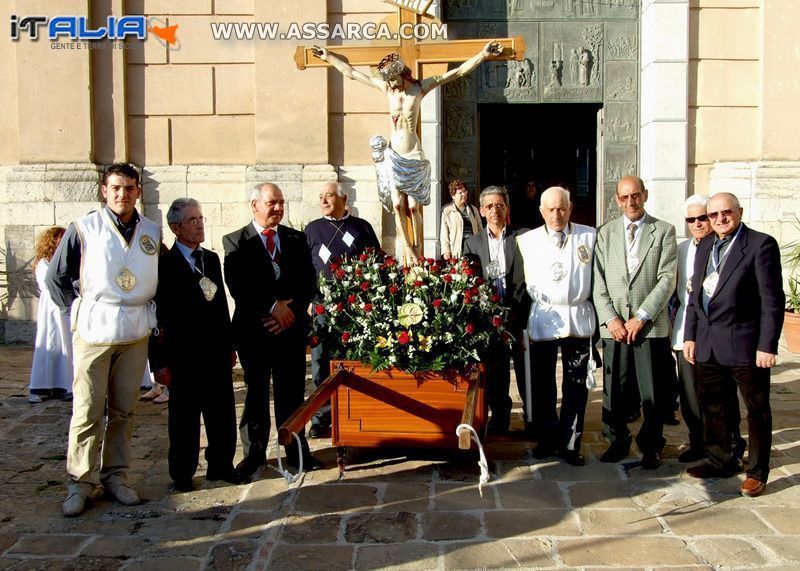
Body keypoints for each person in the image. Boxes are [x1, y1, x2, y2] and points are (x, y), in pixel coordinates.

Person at [313, 41, 502, 264]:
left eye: (392, 78)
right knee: (396, 205)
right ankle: (408, 252)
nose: (390, 83)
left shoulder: (419, 89)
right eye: (388, 80)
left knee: (413, 207)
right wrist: (329, 57)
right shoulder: (386, 90)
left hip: (413, 155)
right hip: (394, 155)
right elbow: (353, 73)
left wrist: (482, 55)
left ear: (401, 73)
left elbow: (456, 73)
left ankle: (418, 249)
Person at [46, 163, 160, 517]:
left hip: (134, 333)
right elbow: (56, 278)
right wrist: (79, 314)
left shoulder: (152, 232)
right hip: (94, 332)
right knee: (88, 409)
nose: (122, 195)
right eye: (115, 188)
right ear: (104, 191)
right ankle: (80, 481)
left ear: (138, 191)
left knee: (124, 410)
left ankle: (116, 476)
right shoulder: (84, 229)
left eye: (128, 188)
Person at [684, 192, 784, 497]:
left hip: (744, 344)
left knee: (756, 409)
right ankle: (719, 459)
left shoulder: (759, 244)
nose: (719, 219)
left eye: (725, 213)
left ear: (738, 211)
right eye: (712, 215)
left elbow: (772, 301)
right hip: (708, 343)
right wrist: (690, 335)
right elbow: (694, 297)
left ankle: (756, 471)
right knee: (713, 405)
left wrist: (767, 345)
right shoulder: (704, 247)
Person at [149, 198, 248, 491]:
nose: (200, 224)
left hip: (215, 351)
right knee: (184, 419)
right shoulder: (164, 265)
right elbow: (157, 316)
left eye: (201, 218)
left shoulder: (210, 259)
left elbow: (220, 306)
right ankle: (182, 472)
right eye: (193, 220)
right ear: (176, 227)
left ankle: (221, 465)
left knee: (221, 413)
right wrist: (159, 362)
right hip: (183, 355)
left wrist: (230, 345)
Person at [223, 182, 321, 475]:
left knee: (291, 393)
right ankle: (254, 454)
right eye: (271, 203)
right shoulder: (236, 240)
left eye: (281, 203)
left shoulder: (295, 238)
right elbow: (238, 283)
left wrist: (288, 311)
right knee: (255, 395)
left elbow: (308, 281)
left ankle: (296, 449)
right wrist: (270, 307)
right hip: (255, 331)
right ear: (255, 205)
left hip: (289, 330)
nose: (278, 208)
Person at [592, 176, 677, 469]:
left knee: (652, 389)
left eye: (636, 195)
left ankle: (651, 444)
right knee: (614, 387)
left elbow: (667, 279)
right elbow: (597, 280)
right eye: (625, 197)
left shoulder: (664, 231)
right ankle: (617, 440)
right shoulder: (605, 234)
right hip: (615, 326)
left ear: (645, 195)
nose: (631, 202)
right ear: (616, 200)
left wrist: (641, 316)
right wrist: (611, 318)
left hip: (649, 325)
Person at [515, 187, 596, 465]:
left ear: (570, 208)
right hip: (544, 318)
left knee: (576, 384)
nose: (556, 215)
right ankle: (547, 439)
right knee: (543, 383)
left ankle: (571, 444)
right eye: (550, 209)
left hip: (578, 316)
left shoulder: (589, 236)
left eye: (561, 208)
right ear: (541, 211)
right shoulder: (526, 240)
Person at [671, 195, 746, 464]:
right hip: (688, 330)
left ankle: (731, 442)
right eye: (691, 220)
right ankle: (698, 441)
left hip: (721, 332)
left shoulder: (725, 247)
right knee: (690, 391)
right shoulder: (681, 250)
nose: (698, 224)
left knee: (722, 393)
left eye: (703, 217)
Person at [305, 182, 380, 438]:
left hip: (355, 310)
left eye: (329, 195)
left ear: (344, 198)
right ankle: (320, 417)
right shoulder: (312, 229)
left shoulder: (361, 228)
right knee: (320, 361)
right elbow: (306, 268)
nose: (323, 200)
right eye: (321, 196)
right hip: (322, 308)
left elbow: (376, 263)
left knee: (355, 360)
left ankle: (356, 412)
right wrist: (310, 301)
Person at [464, 186, 529, 434]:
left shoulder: (523, 237)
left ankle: (532, 416)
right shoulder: (472, 244)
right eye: (489, 206)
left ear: (507, 209)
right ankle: (500, 418)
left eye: (499, 205)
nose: (494, 210)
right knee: (496, 371)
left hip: (520, 315)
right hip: (490, 320)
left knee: (526, 371)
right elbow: (470, 281)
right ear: (481, 211)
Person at [28, 226, 73, 404]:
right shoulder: (44, 263)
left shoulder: (60, 260)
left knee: (65, 346)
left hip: (62, 307)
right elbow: (52, 283)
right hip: (52, 308)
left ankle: (63, 385)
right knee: (48, 345)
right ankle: (41, 386)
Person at [440, 179, 483, 260]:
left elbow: (480, 229)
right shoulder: (447, 210)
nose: (464, 194)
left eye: (465, 192)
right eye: (460, 193)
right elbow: (444, 233)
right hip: (457, 250)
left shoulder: (473, 209)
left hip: (473, 250)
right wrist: (446, 251)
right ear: (453, 196)